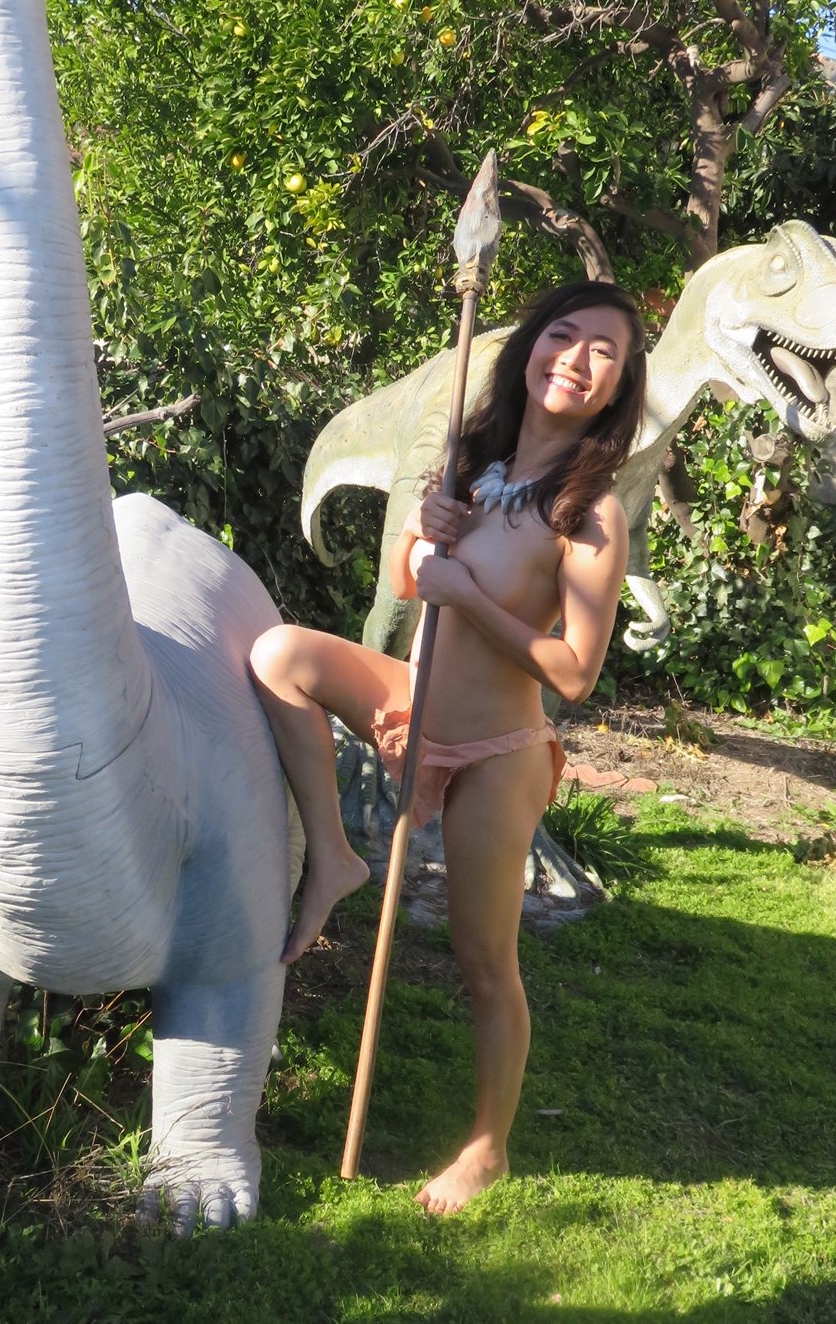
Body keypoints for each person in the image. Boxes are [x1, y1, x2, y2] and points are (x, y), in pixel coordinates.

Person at [249, 281, 647, 1212]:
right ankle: (333, 855)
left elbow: (575, 671)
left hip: (498, 750)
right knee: (280, 656)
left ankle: (486, 1145)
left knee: (482, 960)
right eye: (562, 335)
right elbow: (407, 579)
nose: (576, 359)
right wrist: (423, 537)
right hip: (413, 701)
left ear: (619, 387)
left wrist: (466, 592)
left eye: (603, 352)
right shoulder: (472, 464)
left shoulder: (590, 513)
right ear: (530, 347)